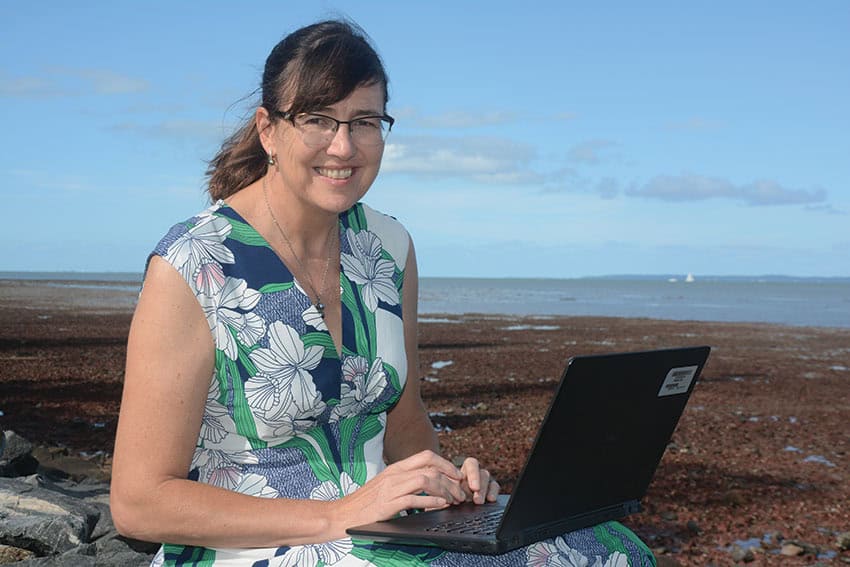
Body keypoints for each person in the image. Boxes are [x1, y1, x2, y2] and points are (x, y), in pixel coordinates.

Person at [110, 19, 656, 567]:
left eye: (365, 122)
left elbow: (404, 417)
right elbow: (139, 503)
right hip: (250, 545)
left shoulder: (389, 247)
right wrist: (336, 514)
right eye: (318, 119)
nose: (343, 146)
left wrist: (449, 485)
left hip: (381, 530)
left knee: (610, 548)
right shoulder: (192, 263)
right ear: (268, 130)